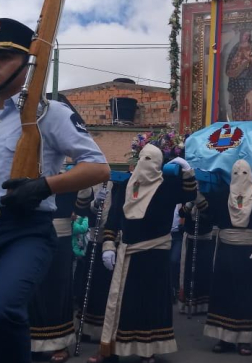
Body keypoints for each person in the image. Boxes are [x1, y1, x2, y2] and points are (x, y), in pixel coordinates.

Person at [0, 18, 110, 363]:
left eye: (4, 57)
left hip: (25, 232)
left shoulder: (49, 114)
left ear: (29, 65)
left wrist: (44, 185)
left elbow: (98, 167)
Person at [91, 147, 196, 363]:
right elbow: (113, 219)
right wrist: (108, 245)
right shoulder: (125, 186)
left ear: (159, 165)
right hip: (128, 254)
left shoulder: (167, 186)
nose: (146, 164)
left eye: (152, 160)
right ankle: (114, 349)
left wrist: (187, 171)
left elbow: (189, 194)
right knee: (122, 304)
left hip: (155, 257)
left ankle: (148, 350)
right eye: (143, 159)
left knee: (151, 303)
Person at [202, 160, 252, 356]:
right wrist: (198, 195)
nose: (240, 175)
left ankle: (245, 339)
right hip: (226, 249)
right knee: (223, 293)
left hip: (249, 252)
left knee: (246, 295)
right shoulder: (222, 194)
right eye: (236, 172)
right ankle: (223, 338)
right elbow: (209, 215)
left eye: (244, 172)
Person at [30, 190, 79, 362]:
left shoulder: (70, 177)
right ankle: (33, 343)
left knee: (57, 288)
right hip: (32, 233)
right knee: (32, 289)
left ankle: (59, 343)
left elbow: (83, 206)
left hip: (60, 236)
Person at [74, 183, 115, 341]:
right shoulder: (92, 185)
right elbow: (81, 210)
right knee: (90, 286)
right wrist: (96, 203)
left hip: (113, 240)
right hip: (95, 238)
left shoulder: (120, 184)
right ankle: (85, 327)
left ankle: (106, 328)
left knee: (107, 286)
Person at [178, 197, 215, 316]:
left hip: (204, 239)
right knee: (188, 272)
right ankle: (188, 303)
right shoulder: (188, 197)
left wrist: (201, 205)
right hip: (190, 237)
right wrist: (189, 204)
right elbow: (181, 213)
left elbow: (211, 216)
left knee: (203, 272)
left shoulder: (210, 195)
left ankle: (203, 305)